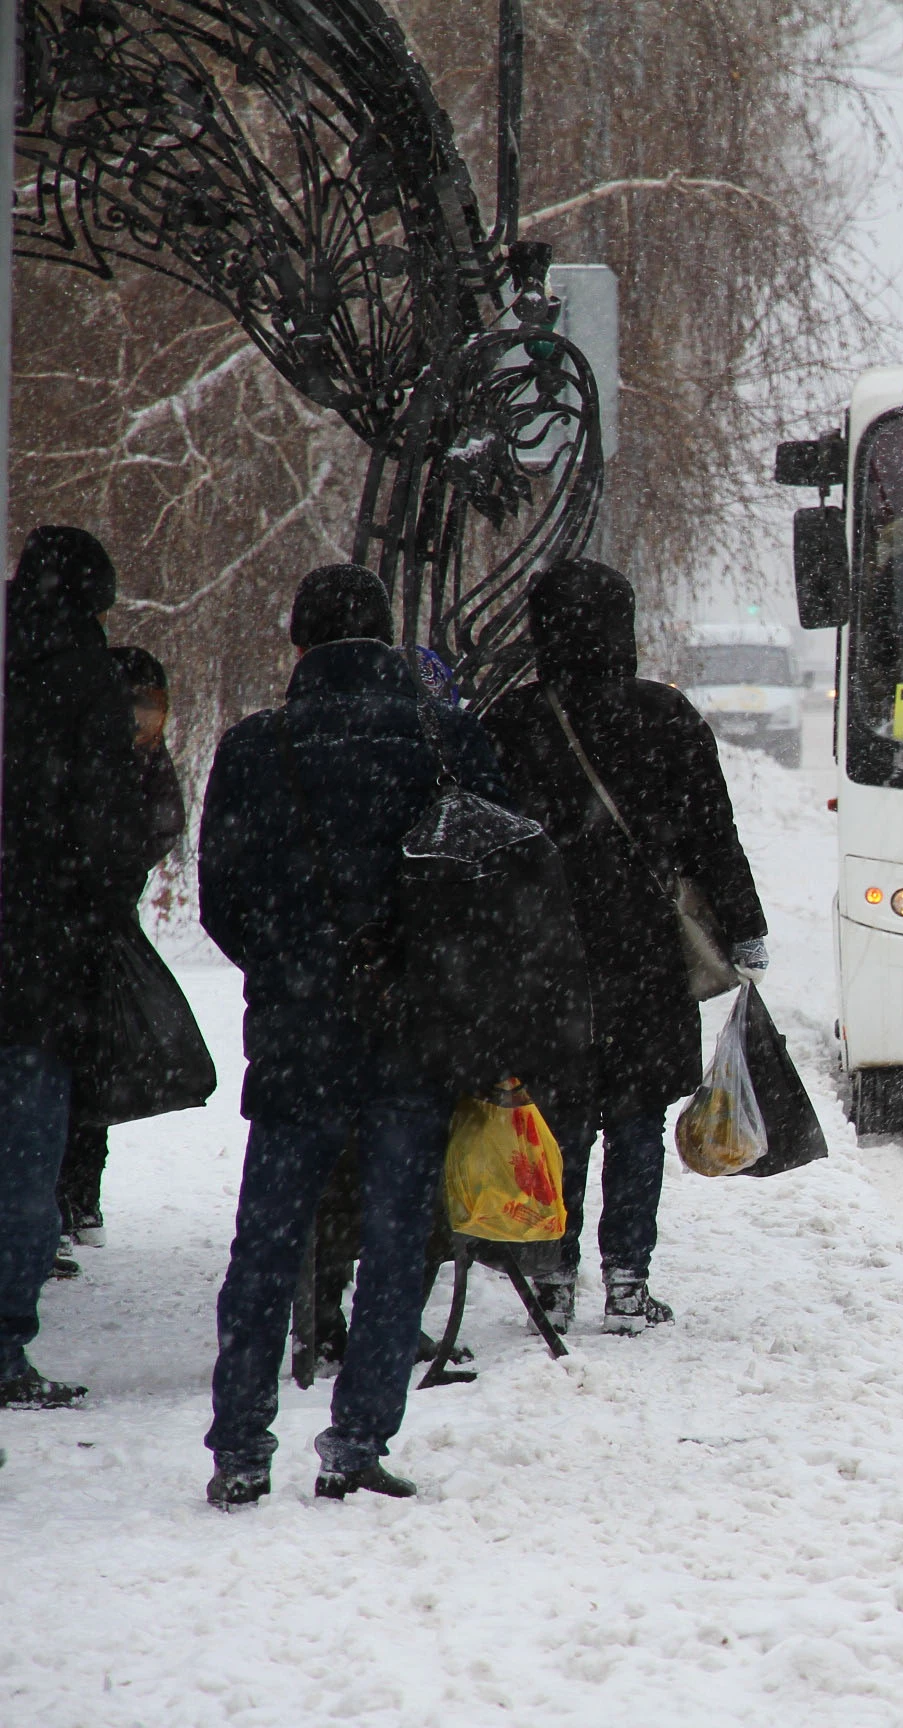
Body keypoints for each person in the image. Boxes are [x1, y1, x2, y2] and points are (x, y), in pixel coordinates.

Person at [197, 564, 515, 1506]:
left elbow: (221, 900)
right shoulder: (445, 735)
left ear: (299, 645)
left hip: (297, 1034)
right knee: (396, 1236)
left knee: (268, 1242)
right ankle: (359, 1437)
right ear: (386, 640)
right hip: (413, 1034)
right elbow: (495, 881)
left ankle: (241, 1447)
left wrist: (292, 966)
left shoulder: (254, 748)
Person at [483, 559, 766, 1336]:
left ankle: (555, 1273)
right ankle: (629, 1280)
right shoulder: (666, 717)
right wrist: (745, 925)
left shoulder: (511, 722)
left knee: (562, 1114)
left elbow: (484, 845)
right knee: (638, 1116)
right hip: (645, 950)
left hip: (548, 954)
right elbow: (714, 835)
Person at [0, 527, 151, 1410]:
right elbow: (107, 831)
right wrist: (94, 921)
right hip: (39, 962)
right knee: (25, 1161)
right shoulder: (87, 680)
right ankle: (6, 1341)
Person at [54, 646, 189, 1254]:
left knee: (95, 1071)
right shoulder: (80, 763)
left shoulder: (145, 769)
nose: (144, 724)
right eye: (134, 709)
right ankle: (54, 1204)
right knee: (63, 1073)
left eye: (153, 710)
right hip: (61, 944)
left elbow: (163, 822)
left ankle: (80, 1197)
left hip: (103, 940)